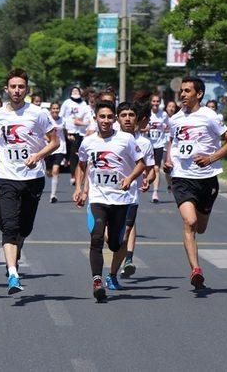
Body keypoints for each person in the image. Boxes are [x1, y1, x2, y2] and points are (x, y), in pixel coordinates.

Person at [0, 69, 59, 295]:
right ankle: (13, 274)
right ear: (6, 89)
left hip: (33, 178)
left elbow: (55, 142)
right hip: (7, 177)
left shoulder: (39, 114)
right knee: (9, 227)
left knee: (24, 228)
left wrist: (38, 156)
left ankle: (15, 254)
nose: (17, 91)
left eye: (21, 87)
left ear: (27, 89)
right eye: (13, 87)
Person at [163, 77, 227, 289]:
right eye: (181, 91)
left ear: (199, 94)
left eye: (187, 91)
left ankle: (203, 215)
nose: (183, 94)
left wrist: (210, 159)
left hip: (207, 179)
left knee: (201, 227)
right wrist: (168, 161)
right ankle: (196, 270)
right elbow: (173, 142)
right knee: (190, 222)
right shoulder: (175, 119)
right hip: (182, 177)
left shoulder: (210, 116)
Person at [73, 101, 146, 302]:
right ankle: (97, 280)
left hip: (121, 199)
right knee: (96, 237)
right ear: (95, 118)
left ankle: (112, 269)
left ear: (114, 119)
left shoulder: (125, 140)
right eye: (102, 117)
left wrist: (130, 178)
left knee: (116, 244)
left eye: (109, 117)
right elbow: (81, 165)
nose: (105, 121)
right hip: (98, 198)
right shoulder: (88, 142)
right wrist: (79, 189)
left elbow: (141, 164)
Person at [116, 101, 156, 282]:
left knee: (128, 227)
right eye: (123, 116)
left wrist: (147, 180)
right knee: (113, 235)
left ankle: (128, 259)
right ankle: (120, 255)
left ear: (137, 120)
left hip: (131, 192)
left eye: (131, 116)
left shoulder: (145, 143)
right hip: (108, 193)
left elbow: (151, 171)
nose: (127, 119)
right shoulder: (111, 138)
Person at [60, 86, 91, 185]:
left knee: (79, 154)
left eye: (77, 91)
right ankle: (72, 173)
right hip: (69, 131)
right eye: (73, 91)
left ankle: (78, 176)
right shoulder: (67, 103)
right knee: (71, 154)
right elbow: (61, 116)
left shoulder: (83, 104)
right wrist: (65, 129)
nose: (75, 92)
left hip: (81, 132)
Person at [146, 94, 169, 203]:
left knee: (156, 168)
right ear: (150, 102)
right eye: (153, 101)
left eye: (157, 101)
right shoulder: (147, 113)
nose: (155, 103)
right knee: (146, 168)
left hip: (159, 144)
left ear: (160, 102)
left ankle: (155, 193)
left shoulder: (163, 114)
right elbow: (140, 127)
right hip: (148, 144)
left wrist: (165, 128)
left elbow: (168, 127)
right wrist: (145, 128)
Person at [47, 102, 67, 203]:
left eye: (57, 108)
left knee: (56, 170)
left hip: (60, 147)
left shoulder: (63, 120)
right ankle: (50, 173)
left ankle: (53, 195)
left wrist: (70, 137)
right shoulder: (47, 119)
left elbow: (66, 133)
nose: (55, 110)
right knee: (49, 172)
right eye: (53, 108)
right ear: (50, 110)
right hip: (48, 148)